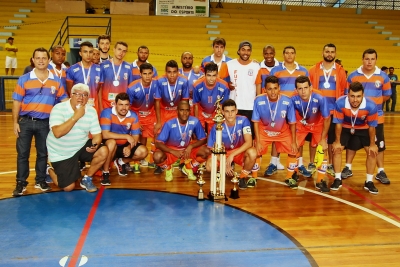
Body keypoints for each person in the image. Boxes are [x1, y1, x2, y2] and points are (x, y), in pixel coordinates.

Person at [12, 47, 68, 196]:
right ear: (33, 60)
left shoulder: (56, 81)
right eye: (38, 58)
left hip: (45, 123)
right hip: (25, 122)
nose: (41, 61)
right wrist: (15, 122)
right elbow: (16, 102)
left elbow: (65, 100)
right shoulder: (24, 79)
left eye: (44, 58)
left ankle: (40, 180)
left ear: (48, 60)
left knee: (43, 154)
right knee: (22, 154)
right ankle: (21, 182)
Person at [46, 83, 108, 192]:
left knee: (103, 150)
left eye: (84, 95)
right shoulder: (59, 108)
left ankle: (87, 178)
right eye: (77, 94)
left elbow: (97, 135)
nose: (81, 97)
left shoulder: (91, 111)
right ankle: (49, 168)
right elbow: (57, 133)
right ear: (71, 95)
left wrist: (95, 144)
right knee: (68, 187)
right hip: (60, 152)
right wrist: (76, 116)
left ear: (88, 98)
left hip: (80, 146)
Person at [344, 49, 391, 184]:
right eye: (367, 59)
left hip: (376, 118)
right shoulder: (353, 76)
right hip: (356, 118)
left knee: (378, 145)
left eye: (372, 59)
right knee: (352, 144)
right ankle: (348, 168)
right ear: (362, 59)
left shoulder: (383, 76)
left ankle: (380, 171)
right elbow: (346, 93)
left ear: (376, 60)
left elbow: (386, 95)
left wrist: (373, 106)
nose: (369, 62)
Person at [332, 82, 379, 194]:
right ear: (348, 95)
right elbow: (338, 124)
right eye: (352, 96)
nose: (355, 100)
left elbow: (372, 127)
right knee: (337, 149)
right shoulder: (340, 102)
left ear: (363, 95)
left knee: (372, 152)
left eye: (358, 96)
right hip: (345, 127)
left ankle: (369, 182)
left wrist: (372, 144)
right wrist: (337, 142)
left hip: (363, 128)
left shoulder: (371, 105)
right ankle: (337, 178)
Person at [252, 76, 299, 189]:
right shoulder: (258, 100)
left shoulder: (287, 101)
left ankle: (290, 177)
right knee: (256, 151)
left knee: (293, 150)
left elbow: (292, 123)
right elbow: (255, 122)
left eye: (275, 88)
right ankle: (253, 177)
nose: (273, 92)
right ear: (265, 89)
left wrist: (293, 141)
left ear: (279, 88)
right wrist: (257, 141)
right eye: (269, 89)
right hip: (264, 131)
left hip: (282, 132)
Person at [309, 43, 347, 176]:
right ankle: (312, 163)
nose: (329, 54)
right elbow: (309, 89)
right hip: (317, 111)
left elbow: (343, 90)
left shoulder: (340, 70)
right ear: (322, 53)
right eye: (327, 51)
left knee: (331, 139)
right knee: (315, 138)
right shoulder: (313, 69)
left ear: (335, 54)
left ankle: (330, 164)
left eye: (332, 52)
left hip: (333, 111)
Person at [206, 99, 257, 190]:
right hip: (223, 153)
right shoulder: (217, 125)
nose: (230, 114)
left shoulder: (243, 120)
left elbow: (249, 142)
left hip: (238, 151)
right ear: (222, 112)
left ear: (236, 111)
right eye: (227, 111)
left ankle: (242, 177)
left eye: (232, 111)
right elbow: (211, 149)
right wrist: (224, 162)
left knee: (253, 152)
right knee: (209, 166)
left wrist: (232, 155)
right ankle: (222, 171)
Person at [291, 76, 331, 192]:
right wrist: (293, 139)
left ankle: (320, 180)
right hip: (301, 124)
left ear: (311, 88)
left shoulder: (320, 98)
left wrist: (323, 139)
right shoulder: (293, 98)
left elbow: (327, 119)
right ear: (296, 90)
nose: (303, 91)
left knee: (322, 149)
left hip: (318, 124)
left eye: (305, 88)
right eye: (300, 89)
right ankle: (294, 172)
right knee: (294, 146)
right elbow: (291, 120)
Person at [154, 101, 210, 181]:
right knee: (157, 156)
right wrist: (172, 151)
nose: (184, 113)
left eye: (187, 110)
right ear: (177, 111)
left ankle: (188, 166)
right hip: (171, 150)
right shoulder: (169, 124)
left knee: (207, 152)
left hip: (186, 150)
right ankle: (168, 167)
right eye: (182, 110)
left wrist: (191, 146)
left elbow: (203, 139)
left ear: (190, 111)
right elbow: (158, 143)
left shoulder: (195, 121)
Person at [100, 93, 148, 179]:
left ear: (129, 105)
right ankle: (105, 172)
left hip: (123, 146)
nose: (124, 108)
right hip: (109, 146)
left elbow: (136, 136)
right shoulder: (106, 113)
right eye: (121, 105)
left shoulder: (133, 116)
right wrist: (126, 136)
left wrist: (129, 147)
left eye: (126, 105)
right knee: (111, 142)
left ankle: (120, 162)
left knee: (143, 151)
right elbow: (105, 134)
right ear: (115, 104)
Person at [127, 63, 159, 170]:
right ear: (140, 74)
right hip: (137, 115)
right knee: (140, 138)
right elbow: (128, 107)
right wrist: (135, 121)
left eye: (150, 73)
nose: (147, 76)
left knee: (156, 135)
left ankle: (152, 160)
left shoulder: (156, 84)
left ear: (153, 73)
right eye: (145, 74)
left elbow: (158, 102)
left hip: (151, 114)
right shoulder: (132, 87)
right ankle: (137, 163)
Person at [226, 41, 260, 134]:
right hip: (234, 105)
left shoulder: (256, 66)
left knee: (249, 135)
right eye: (243, 50)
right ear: (238, 51)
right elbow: (221, 81)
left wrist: (258, 103)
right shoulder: (229, 64)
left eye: (248, 50)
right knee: (235, 134)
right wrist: (227, 84)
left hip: (250, 106)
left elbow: (258, 85)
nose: (246, 53)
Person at [154, 60, 189, 134]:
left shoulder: (184, 81)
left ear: (178, 72)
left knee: (179, 133)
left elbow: (185, 102)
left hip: (177, 111)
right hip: (164, 111)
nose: (172, 75)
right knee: (158, 132)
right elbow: (157, 102)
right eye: (169, 72)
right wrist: (159, 122)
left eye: (174, 72)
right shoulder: (159, 81)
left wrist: (183, 118)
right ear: (165, 72)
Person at [192, 62, 230, 132]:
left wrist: (221, 121)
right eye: (209, 75)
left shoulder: (224, 86)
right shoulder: (197, 85)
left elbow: (223, 106)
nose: (211, 79)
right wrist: (196, 123)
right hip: (201, 113)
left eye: (214, 75)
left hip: (216, 115)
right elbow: (196, 105)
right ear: (204, 75)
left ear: (217, 75)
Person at [67, 41, 102, 112]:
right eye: (85, 52)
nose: (88, 55)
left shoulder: (99, 69)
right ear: (80, 53)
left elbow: (98, 90)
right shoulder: (72, 69)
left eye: (90, 52)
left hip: (93, 106)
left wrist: (101, 108)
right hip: (77, 107)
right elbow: (70, 90)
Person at [98, 41, 133, 112]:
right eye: (119, 49)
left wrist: (129, 105)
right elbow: (99, 88)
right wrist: (101, 106)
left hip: (122, 105)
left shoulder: (129, 67)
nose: (121, 53)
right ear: (114, 50)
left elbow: (130, 88)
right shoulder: (103, 66)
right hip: (106, 104)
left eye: (124, 51)